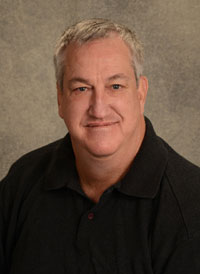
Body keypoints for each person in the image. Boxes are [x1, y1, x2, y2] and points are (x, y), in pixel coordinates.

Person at [0, 18, 200, 274]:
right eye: (81, 88)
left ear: (141, 94)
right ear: (60, 99)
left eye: (115, 86)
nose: (99, 108)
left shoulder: (191, 209)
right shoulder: (22, 180)